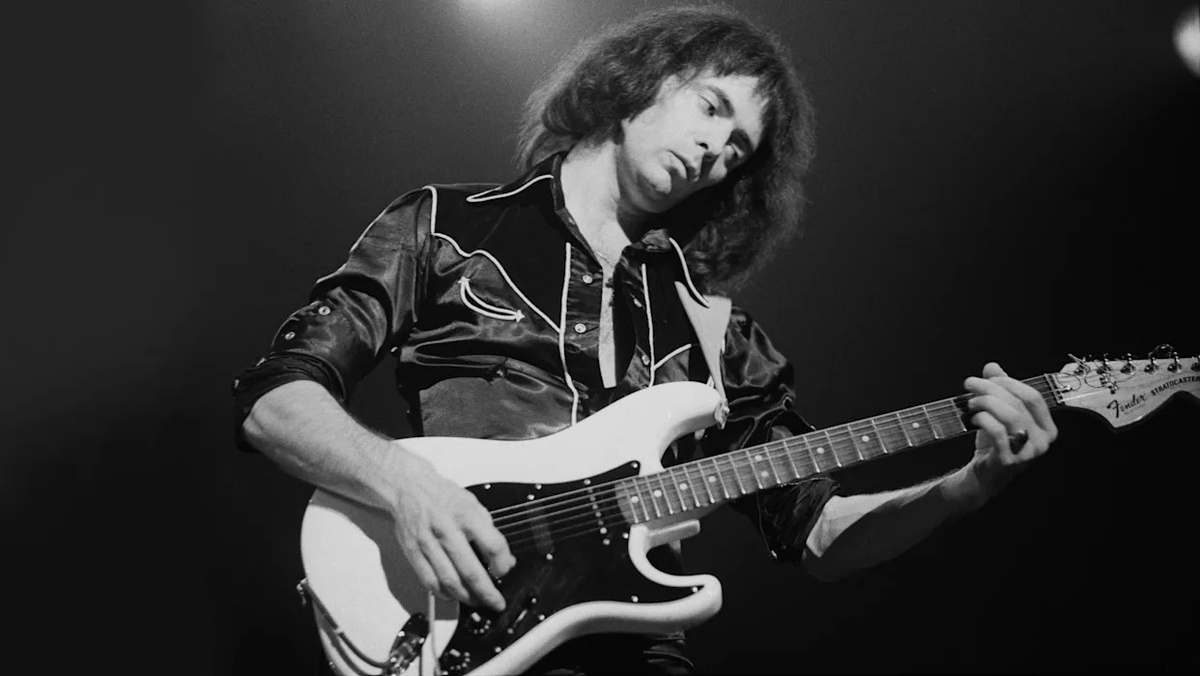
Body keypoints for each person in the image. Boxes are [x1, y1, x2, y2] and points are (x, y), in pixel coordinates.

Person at [232, 5, 1058, 674]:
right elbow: (277, 400)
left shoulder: (716, 331)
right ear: (643, 79)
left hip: (636, 651)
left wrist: (967, 485)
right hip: (459, 618)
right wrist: (406, 488)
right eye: (712, 108)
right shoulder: (446, 228)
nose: (716, 151)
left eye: (738, 150)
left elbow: (820, 534)